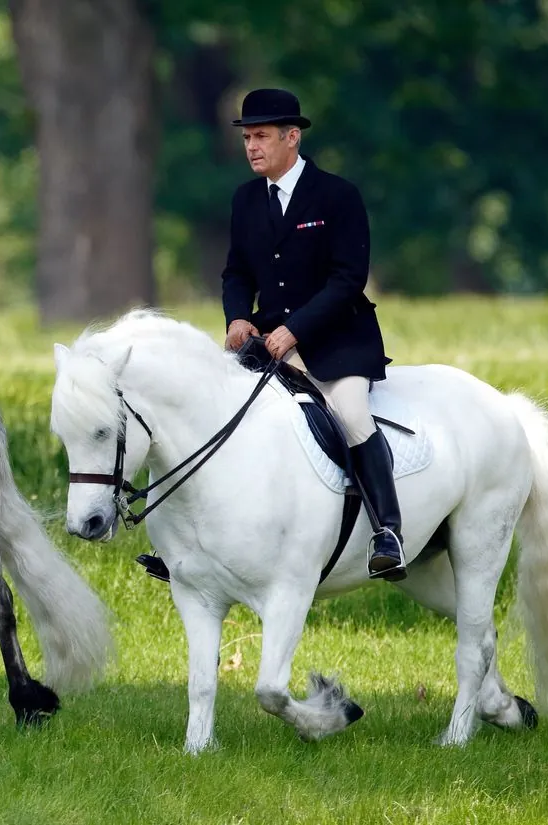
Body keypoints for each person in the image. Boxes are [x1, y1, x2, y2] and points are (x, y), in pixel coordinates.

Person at [220, 88, 406, 581]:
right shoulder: (244, 200)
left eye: (261, 136)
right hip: (265, 338)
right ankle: (205, 547)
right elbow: (236, 272)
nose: (251, 146)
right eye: (247, 137)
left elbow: (348, 279)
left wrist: (294, 330)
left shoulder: (337, 196)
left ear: (292, 137)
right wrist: (237, 317)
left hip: (336, 341)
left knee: (349, 412)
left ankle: (388, 532)